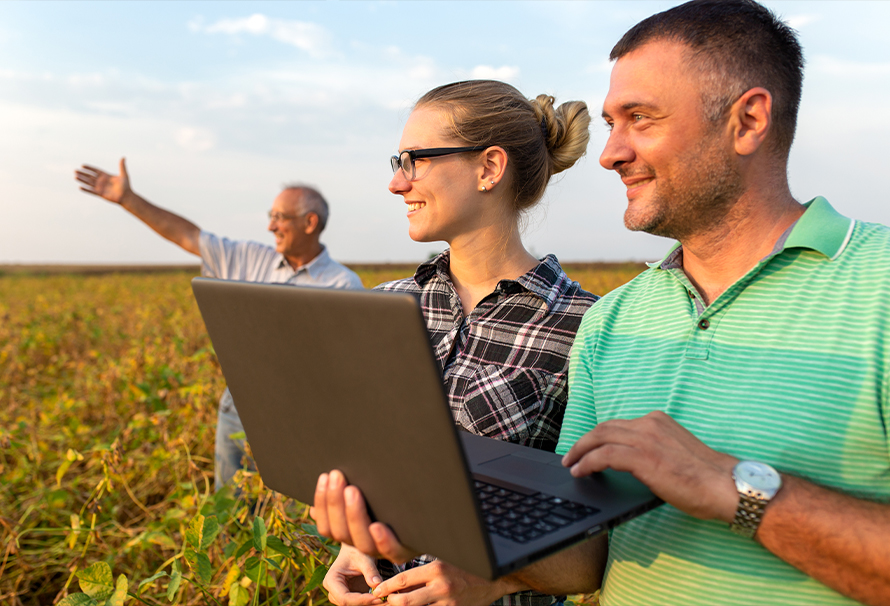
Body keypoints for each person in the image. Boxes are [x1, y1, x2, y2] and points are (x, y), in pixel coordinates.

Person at [311, 1, 890, 605]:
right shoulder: (614, 323)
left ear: (747, 121)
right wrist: (451, 552)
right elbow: (590, 557)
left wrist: (730, 487)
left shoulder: (880, 285)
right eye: (612, 122)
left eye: (640, 119)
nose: (609, 153)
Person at [312, 79, 598, 606]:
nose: (398, 183)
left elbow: (598, 551)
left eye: (415, 160)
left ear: (489, 168)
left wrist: (492, 573)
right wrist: (357, 543)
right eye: (397, 161)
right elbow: (372, 471)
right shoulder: (381, 307)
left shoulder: (586, 327)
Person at [74, 160, 364, 490]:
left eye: (279, 217)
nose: (271, 227)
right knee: (230, 508)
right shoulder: (251, 259)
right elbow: (187, 235)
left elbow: (344, 370)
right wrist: (129, 199)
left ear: (310, 222)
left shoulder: (343, 284)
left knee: (291, 515)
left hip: (303, 417)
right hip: (239, 407)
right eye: (270, 216)